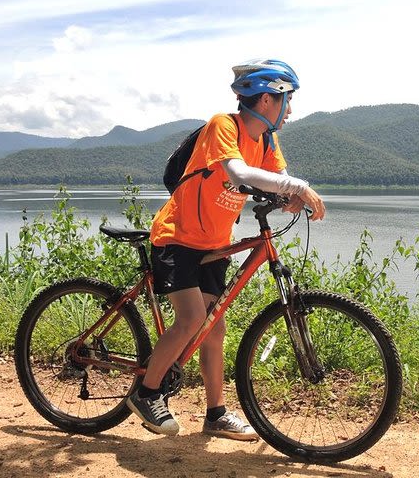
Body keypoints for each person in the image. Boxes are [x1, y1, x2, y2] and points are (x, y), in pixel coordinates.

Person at [127, 59, 326, 439]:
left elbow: (274, 180)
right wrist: (298, 187)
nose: (291, 110)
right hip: (177, 237)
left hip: (213, 244)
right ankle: (147, 392)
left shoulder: (266, 140)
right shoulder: (224, 125)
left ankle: (215, 414)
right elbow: (237, 173)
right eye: (288, 99)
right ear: (267, 99)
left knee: (213, 329)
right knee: (190, 320)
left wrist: (290, 196)